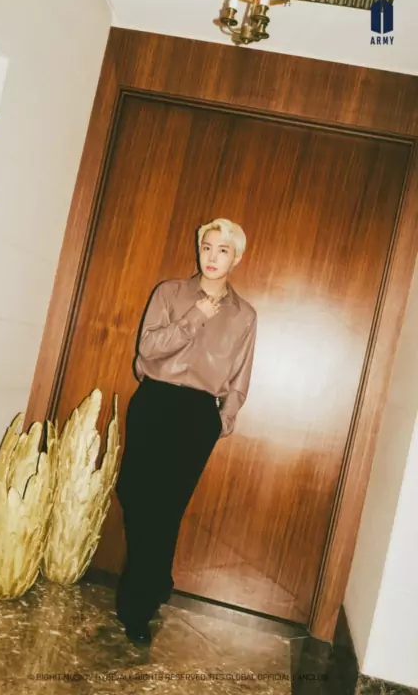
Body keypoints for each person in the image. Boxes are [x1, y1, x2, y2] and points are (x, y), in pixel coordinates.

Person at [114, 218, 257, 645]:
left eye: (223, 250)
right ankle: (158, 578)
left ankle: (137, 607)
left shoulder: (244, 315)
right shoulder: (170, 293)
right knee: (134, 494)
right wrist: (195, 316)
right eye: (207, 247)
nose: (212, 257)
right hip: (155, 400)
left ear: (237, 258)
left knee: (167, 506)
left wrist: (222, 420)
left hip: (197, 414)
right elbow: (148, 348)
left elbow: (241, 374)